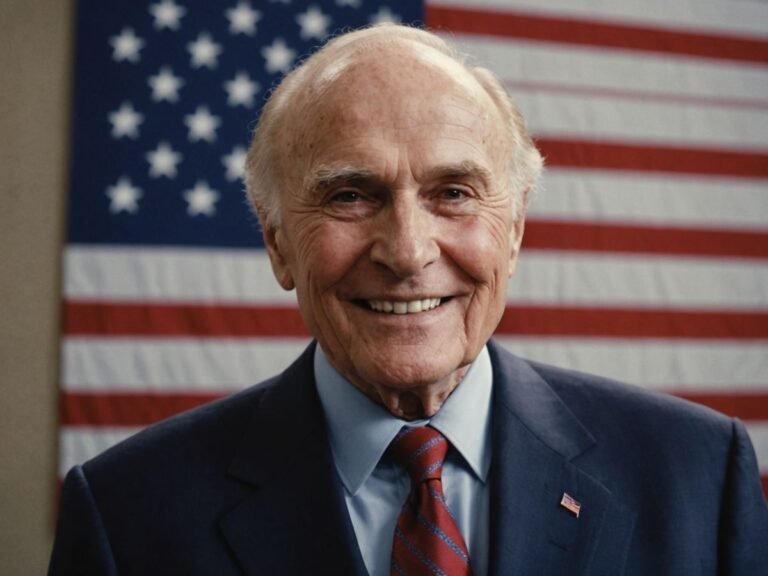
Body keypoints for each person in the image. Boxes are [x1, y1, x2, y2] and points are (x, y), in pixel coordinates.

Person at [49, 23, 768, 576]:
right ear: (276, 243)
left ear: (513, 228)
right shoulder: (126, 515)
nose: (408, 251)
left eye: (453, 193)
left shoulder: (698, 476)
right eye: (351, 195)